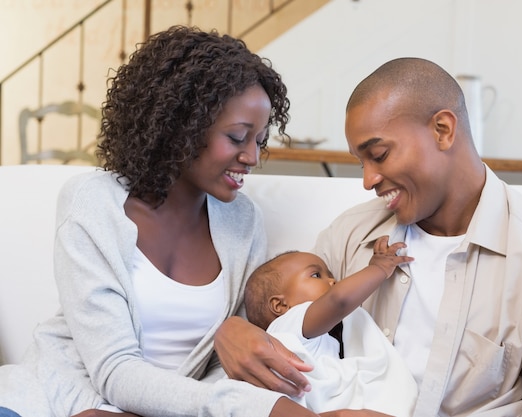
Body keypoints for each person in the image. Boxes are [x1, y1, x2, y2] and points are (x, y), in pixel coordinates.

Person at [214, 57, 522, 416]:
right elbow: (282, 323)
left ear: (443, 130)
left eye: (379, 155)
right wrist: (233, 331)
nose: (368, 179)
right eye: (361, 163)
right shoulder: (350, 237)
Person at [0, 25, 341, 417]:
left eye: (259, 140)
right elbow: (112, 369)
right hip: (54, 400)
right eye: (237, 136)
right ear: (182, 126)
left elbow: (225, 363)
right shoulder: (93, 204)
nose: (251, 156)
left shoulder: (242, 222)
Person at [244, 236, 417, 415]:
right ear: (280, 306)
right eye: (316, 275)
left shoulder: (325, 340)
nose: (333, 282)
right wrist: (378, 268)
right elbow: (338, 300)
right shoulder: (286, 326)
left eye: (331, 275)